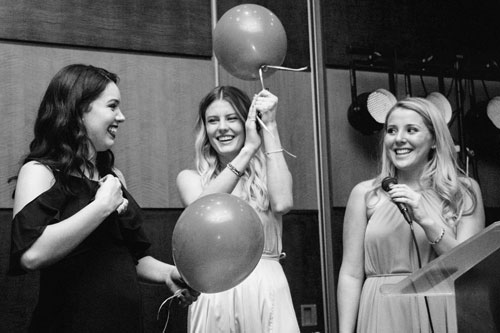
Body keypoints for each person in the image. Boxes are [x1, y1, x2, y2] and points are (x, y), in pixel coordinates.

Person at [8, 64, 198, 332]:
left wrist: (168, 273)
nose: (122, 117)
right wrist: (101, 206)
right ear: (79, 110)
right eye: (112, 106)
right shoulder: (40, 172)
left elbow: (129, 257)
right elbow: (31, 255)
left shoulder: (113, 176)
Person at [337, 97, 485, 333]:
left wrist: (426, 220)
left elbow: (468, 268)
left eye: (412, 130)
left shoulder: (463, 191)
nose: (399, 139)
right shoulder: (365, 194)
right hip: (382, 310)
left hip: (441, 308)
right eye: (392, 130)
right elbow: (351, 274)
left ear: (434, 140)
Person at [176, 86, 300, 332]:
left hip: (266, 285)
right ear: (205, 129)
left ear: (247, 123)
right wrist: (247, 150)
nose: (222, 127)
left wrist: (270, 126)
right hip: (214, 291)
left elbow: (283, 203)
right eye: (213, 120)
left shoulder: (268, 172)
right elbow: (199, 213)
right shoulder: (190, 179)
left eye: (232, 118)